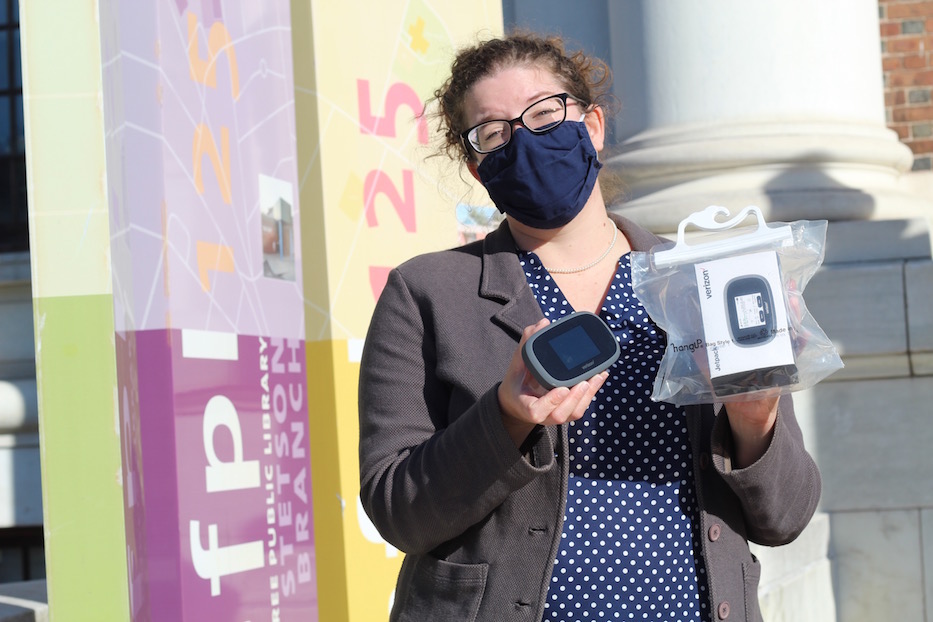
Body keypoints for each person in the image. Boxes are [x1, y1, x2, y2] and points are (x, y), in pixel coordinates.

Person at [358, 32, 820, 622]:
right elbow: (399, 510)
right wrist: (505, 418)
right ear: (478, 168)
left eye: (546, 114)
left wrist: (755, 420)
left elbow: (787, 517)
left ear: (593, 126)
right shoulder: (427, 292)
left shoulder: (704, 284)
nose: (524, 141)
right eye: (495, 133)